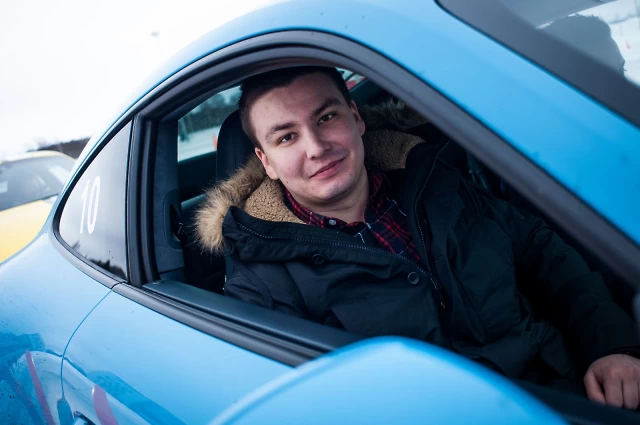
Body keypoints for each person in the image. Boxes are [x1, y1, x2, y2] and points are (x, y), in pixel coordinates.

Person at [195, 66, 640, 409]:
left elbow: (542, 253)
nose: (315, 147)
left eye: (326, 117)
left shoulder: (436, 181)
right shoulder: (262, 282)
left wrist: (611, 346)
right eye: (287, 137)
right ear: (266, 162)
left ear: (356, 117)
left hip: (566, 392)